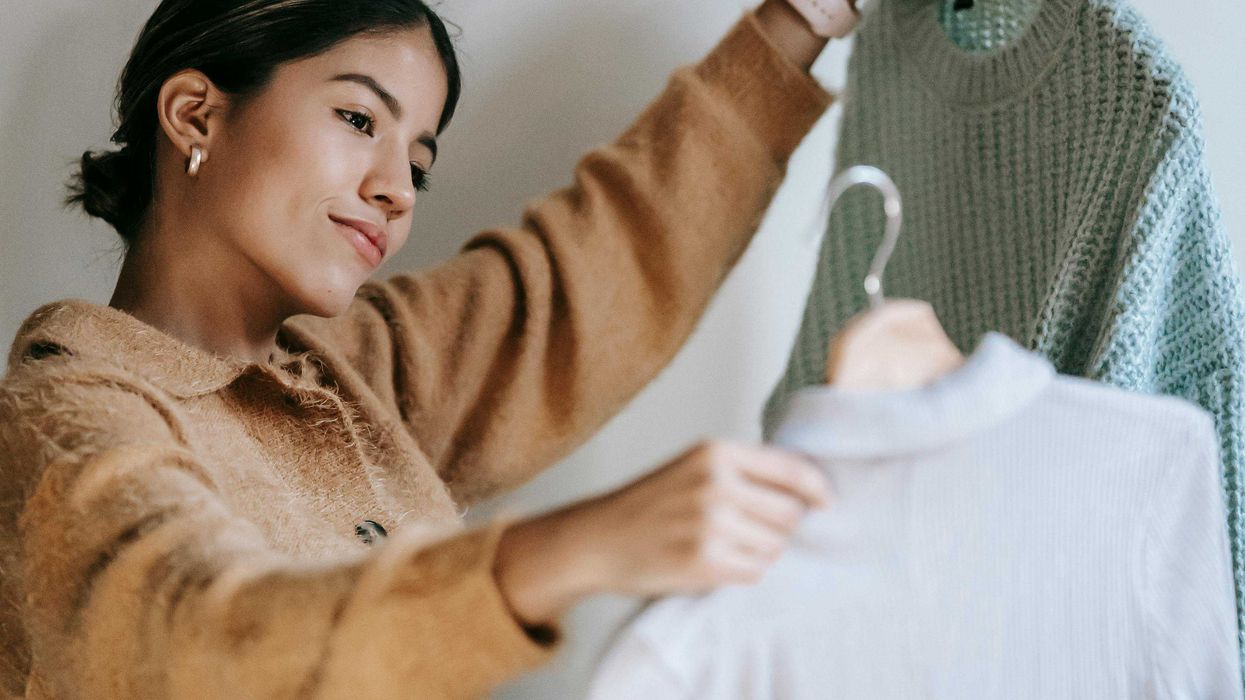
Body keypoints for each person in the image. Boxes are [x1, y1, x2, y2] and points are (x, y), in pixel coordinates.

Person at [0, 0, 853, 697]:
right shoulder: (62, 418)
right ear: (196, 114)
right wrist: (567, 550)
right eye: (356, 117)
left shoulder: (356, 380)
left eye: (420, 160)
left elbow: (588, 282)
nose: (396, 189)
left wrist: (798, 20)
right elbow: (193, 641)